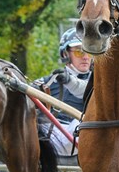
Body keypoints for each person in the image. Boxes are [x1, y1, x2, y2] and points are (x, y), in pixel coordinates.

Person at [34, 28, 92, 156]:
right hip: (49, 139)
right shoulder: (48, 82)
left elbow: (84, 89)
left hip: (83, 138)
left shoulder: (98, 83)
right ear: (65, 54)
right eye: (79, 52)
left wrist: (69, 81)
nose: (85, 57)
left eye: (89, 52)